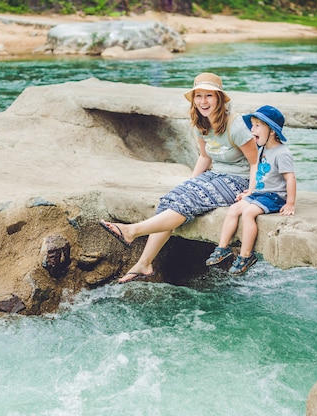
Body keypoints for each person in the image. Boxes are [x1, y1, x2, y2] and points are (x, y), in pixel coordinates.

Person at [99, 72, 258, 283]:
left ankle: (132, 230)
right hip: (216, 175)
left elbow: (256, 162)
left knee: (188, 203)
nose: (203, 101)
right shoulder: (200, 124)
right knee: (171, 200)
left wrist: (252, 192)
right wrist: (190, 183)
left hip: (240, 180)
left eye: (209, 96)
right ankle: (144, 263)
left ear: (219, 99)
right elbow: (204, 156)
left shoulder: (235, 124)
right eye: (199, 96)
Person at [205, 105, 296, 275]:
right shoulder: (262, 149)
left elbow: (289, 178)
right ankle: (223, 248)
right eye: (252, 125)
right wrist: (249, 191)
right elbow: (259, 175)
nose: (252, 129)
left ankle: (246, 255)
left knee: (248, 213)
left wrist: (290, 203)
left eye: (257, 126)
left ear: (272, 131)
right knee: (234, 209)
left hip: (274, 196)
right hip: (259, 193)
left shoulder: (282, 153)